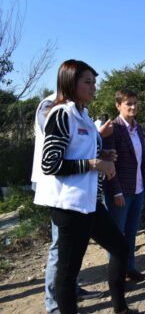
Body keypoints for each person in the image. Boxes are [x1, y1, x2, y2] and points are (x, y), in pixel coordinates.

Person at [33, 59, 136, 314]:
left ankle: (121, 309)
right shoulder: (61, 113)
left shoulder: (84, 115)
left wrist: (105, 159)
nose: (93, 87)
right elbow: (51, 164)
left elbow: (89, 153)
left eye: (94, 82)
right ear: (70, 82)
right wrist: (94, 164)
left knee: (121, 248)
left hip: (89, 203)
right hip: (69, 206)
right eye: (87, 82)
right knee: (68, 273)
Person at [31, 93, 107, 314]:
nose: (93, 89)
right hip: (60, 190)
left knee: (72, 250)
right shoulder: (54, 106)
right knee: (60, 249)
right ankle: (54, 303)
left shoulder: (78, 108)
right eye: (87, 81)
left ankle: (70, 291)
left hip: (79, 190)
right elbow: (58, 151)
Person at [103, 89, 145, 282]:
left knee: (132, 232)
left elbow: (144, 158)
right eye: (128, 104)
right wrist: (116, 191)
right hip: (120, 191)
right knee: (117, 236)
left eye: (135, 103)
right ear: (118, 105)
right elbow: (109, 163)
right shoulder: (113, 128)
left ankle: (130, 268)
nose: (133, 107)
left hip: (138, 189)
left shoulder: (137, 127)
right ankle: (117, 274)